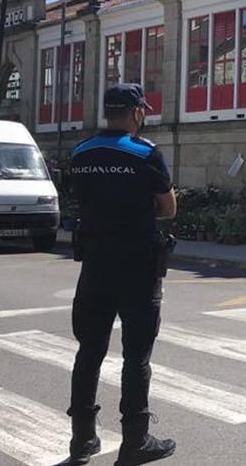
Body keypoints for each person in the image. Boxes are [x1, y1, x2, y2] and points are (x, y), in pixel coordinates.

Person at [64, 84, 177, 466]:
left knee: (90, 352)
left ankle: (81, 440)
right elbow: (168, 208)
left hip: (95, 264)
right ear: (136, 113)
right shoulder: (146, 153)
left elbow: (79, 196)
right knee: (136, 356)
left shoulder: (81, 153)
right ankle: (135, 440)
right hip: (137, 266)